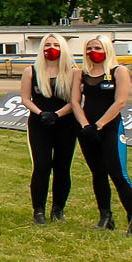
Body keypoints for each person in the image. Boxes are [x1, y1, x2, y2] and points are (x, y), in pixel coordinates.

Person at [73, 34, 132, 237]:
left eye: (97, 48)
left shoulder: (119, 71)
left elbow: (120, 102)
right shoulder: (80, 74)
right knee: (98, 174)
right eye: (89, 49)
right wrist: (85, 125)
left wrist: (100, 125)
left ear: (106, 50)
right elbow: (75, 101)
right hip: (87, 130)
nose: (92, 52)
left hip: (110, 129)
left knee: (118, 174)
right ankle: (105, 216)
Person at [21, 33, 79, 223]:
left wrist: (57, 114)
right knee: (41, 166)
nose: (51, 48)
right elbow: (25, 99)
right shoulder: (31, 71)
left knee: (62, 167)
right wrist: (40, 114)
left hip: (66, 124)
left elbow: (76, 101)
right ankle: (38, 210)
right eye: (47, 45)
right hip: (39, 123)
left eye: (55, 44)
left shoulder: (73, 71)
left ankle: (58, 209)